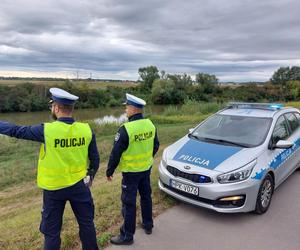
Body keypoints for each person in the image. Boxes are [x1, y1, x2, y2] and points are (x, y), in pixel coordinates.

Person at [0, 88, 99, 250]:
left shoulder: (46, 130)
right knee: (87, 224)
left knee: (52, 233)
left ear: (57, 108)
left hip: (54, 190)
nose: (52, 109)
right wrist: (91, 176)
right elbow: (95, 159)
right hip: (80, 186)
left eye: (52, 106)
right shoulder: (86, 129)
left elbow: (15, 130)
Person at [106, 93, 159, 245]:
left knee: (128, 203)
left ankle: (127, 236)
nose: (125, 109)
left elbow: (115, 153)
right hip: (145, 169)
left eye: (127, 107)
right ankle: (148, 225)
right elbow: (156, 145)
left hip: (130, 173)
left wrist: (109, 171)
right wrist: (147, 159)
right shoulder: (150, 124)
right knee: (146, 196)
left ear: (133, 109)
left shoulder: (126, 129)